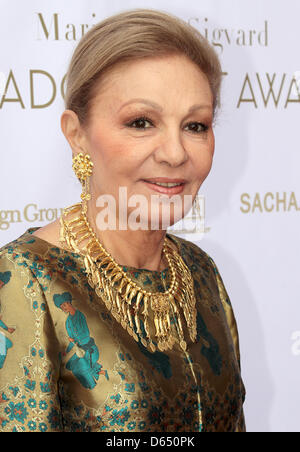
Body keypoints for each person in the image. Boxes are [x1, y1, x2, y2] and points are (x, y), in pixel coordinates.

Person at [0, 8, 246, 432]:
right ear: (76, 133)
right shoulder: (26, 281)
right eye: (141, 122)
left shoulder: (200, 273)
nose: (175, 153)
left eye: (195, 125)